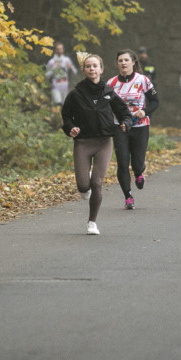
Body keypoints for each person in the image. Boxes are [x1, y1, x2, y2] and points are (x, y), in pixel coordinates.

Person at [61, 53, 132, 234]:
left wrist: (126, 123)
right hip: (83, 143)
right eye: (88, 66)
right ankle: (86, 180)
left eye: (95, 66)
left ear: (101, 69)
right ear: (84, 70)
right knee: (83, 186)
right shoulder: (76, 93)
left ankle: (92, 222)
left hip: (103, 142)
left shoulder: (108, 93)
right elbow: (66, 116)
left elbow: (124, 112)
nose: (92, 69)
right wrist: (71, 128)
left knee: (97, 183)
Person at [106, 49, 159, 210]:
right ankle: (128, 196)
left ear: (133, 62)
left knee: (137, 163)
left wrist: (145, 111)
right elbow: (105, 106)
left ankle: (138, 173)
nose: (123, 63)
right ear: (117, 64)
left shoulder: (142, 80)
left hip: (140, 125)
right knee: (122, 162)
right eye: (120, 60)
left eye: (126, 60)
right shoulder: (111, 84)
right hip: (120, 126)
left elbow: (155, 101)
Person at [45, 41, 78, 109]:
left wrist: (71, 68)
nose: (60, 51)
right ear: (55, 50)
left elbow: (75, 72)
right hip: (56, 84)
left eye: (61, 49)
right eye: (58, 49)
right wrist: (54, 67)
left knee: (65, 106)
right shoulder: (51, 62)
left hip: (65, 84)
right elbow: (46, 75)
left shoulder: (67, 60)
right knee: (58, 104)